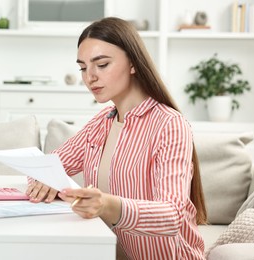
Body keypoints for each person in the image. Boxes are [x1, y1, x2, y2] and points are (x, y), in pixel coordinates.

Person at [26, 17, 207, 260]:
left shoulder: (169, 124)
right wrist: (44, 179)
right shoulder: (102, 123)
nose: (89, 77)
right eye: (82, 68)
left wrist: (108, 206)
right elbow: (46, 167)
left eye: (101, 65)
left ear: (133, 63)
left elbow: (171, 215)